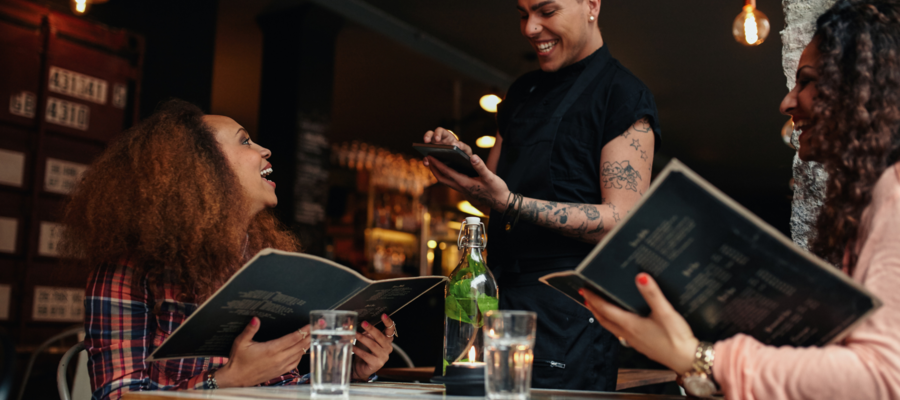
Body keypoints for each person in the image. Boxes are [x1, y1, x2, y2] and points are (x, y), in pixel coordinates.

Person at [582, 0, 900, 398]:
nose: (786, 103)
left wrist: (701, 358)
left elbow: (884, 378)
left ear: (857, 88)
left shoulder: (894, 194)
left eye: (806, 81)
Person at [60, 100, 396, 400]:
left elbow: (280, 388)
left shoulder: (264, 258)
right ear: (200, 167)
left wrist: (351, 372)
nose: (265, 150)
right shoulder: (129, 268)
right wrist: (227, 381)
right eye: (245, 140)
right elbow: (116, 395)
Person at [422, 0, 661, 391]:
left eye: (546, 12)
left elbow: (622, 222)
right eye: (522, 14)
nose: (530, 28)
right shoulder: (522, 92)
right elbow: (494, 192)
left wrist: (510, 203)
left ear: (591, 6)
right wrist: (463, 167)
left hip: (565, 313)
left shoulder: (623, 94)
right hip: (491, 301)